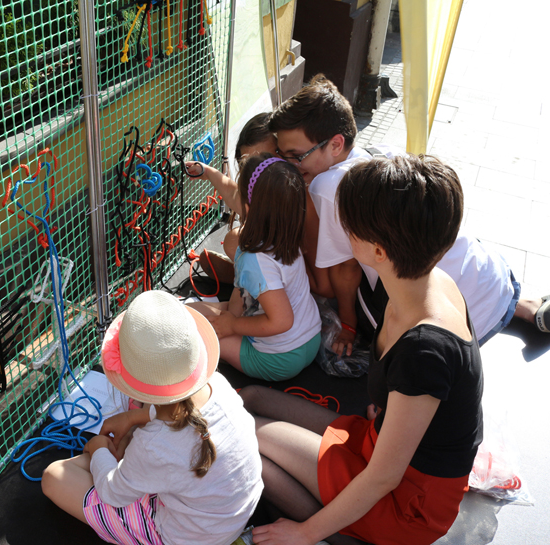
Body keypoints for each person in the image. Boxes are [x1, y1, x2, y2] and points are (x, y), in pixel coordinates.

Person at [241, 155, 483, 545]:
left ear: (379, 251)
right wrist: (393, 412)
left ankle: (333, 533)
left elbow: (383, 477)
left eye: (350, 226)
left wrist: (303, 534)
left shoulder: (424, 351)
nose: (342, 231)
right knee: (251, 397)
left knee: (245, 435)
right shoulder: (427, 281)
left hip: (407, 501)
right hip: (383, 443)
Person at [268, 73, 549, 355]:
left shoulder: (327, 187)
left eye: (295, 155)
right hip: (491, 279)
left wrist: (349, 325)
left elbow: (345, 271)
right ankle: (529, 308)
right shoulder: (380, 152)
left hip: (450, 322)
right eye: (280, 153)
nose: (287, 163)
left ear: (336, 145)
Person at [41, 290, 263, 545]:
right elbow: (181, 426)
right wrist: (135, 417)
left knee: (53, 476)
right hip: (229, 519)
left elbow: (112, 493)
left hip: (187, 538)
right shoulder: (219, 385)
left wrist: (98, 447)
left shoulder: (154, 446)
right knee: (120, 458)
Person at [189, 154, 321, 381]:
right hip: (310, 339)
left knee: (194, 331)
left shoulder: (254, 259)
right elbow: (247, 297)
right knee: (192, 312)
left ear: (249, 208)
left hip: (277, 359)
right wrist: (209, 173)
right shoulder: (286, 232)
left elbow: (281, 321)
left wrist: (233, 325)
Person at [185, 112, 279, 283]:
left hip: (290, 276)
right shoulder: (263, 191)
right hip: (275, 264)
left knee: (238, 241)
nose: (258, 171)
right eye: (250, 164)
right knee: (233, 240)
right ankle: (244, 273)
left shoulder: (290, 193)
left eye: (266, 160)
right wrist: (208, 171)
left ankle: (247, 276)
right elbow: (233, 193)